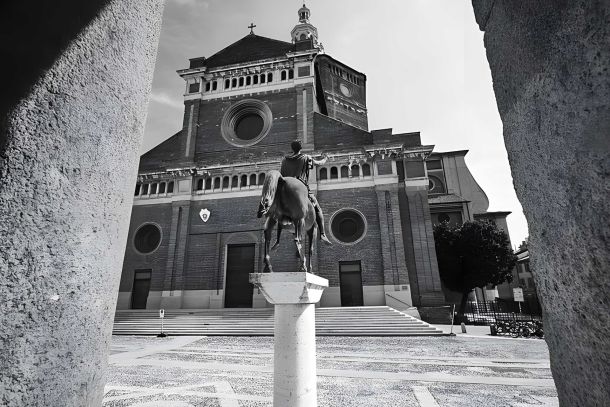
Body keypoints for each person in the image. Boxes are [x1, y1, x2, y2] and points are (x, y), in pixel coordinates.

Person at [280, 140, 332, 244]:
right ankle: (322, 234)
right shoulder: (306, 157)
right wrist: (325, 158)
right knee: (317, 208)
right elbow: (319, 163)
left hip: (287, 190)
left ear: (292, 148)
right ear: (300, 148)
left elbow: (282, 176)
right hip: (301, 188)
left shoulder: (285, 160)